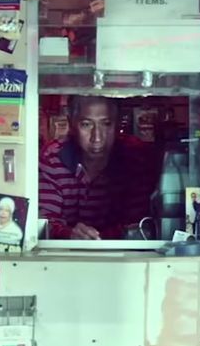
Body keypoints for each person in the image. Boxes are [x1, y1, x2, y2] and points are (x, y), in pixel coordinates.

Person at [38, 95, 159, 240]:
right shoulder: (52, 158)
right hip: (65, 256)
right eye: (86, 124)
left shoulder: (136, 157)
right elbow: (44, 222)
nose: (97, 138)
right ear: (71, 124)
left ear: (118, 124)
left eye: (106, 124)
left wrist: (98, 238)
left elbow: (140, 223)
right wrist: (69, 234)